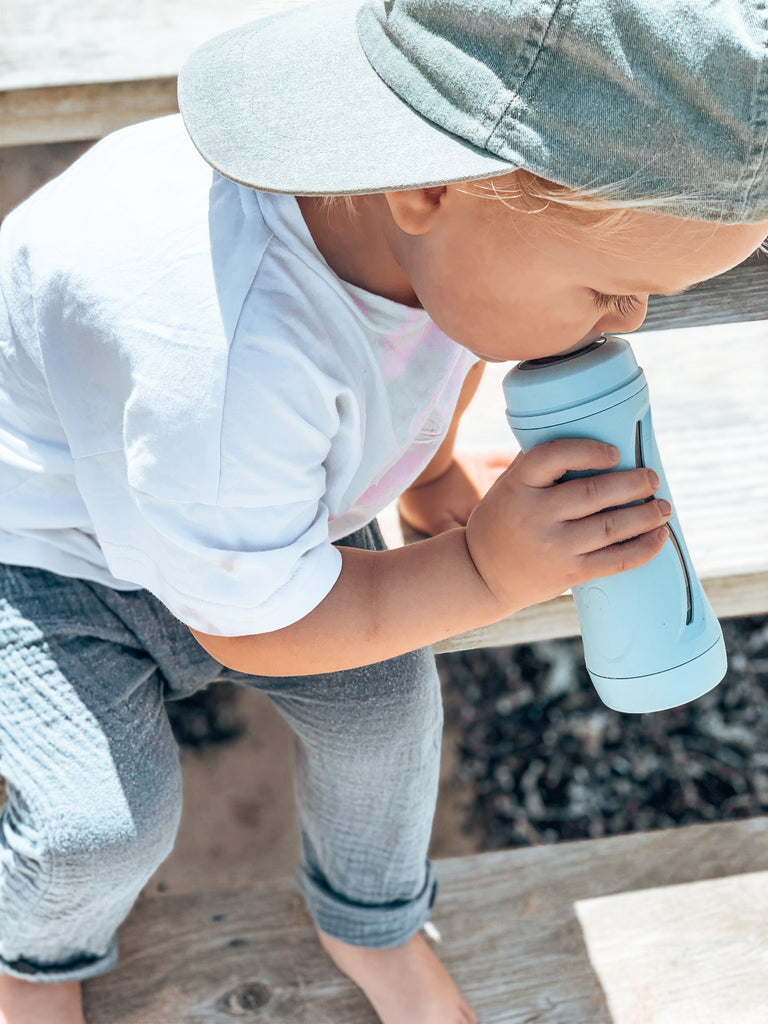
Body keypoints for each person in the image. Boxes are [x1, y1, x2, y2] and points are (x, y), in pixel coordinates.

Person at [1, 1, 767, 1021]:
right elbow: (254, 626)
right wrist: (486, 575)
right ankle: (34, 953)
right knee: (104, 824)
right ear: (429, 187)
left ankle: (371, 918)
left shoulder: (425, 237)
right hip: (50, 555)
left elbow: (445, 347)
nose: (630, 322)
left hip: (257, 511)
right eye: (610, 288)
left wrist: (432, 472)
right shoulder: (230, 358)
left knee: (390, 724)